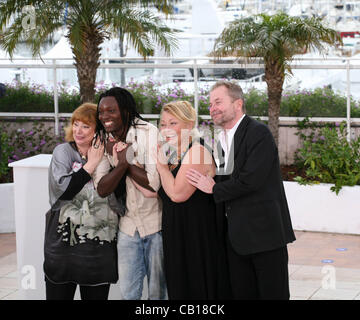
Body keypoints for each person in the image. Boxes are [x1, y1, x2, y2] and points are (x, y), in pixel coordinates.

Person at [186, 81, 296, 300]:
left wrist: (214, 188)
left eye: (218, 102)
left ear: (238, 104)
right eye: (210, 104)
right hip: (236, 240)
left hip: (264, 236)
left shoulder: (259, 133)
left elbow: (251, 180)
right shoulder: (221, 139)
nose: (212, 108)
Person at [154, 100, 231, 300]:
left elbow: (178, 195)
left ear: (189, 125)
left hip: (196, 237)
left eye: (173, 123)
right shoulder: (176, 153)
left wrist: (162, 168)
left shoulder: (196, 151)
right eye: (163, 124)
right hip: (179, 234)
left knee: (195, 289)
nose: (166, 129)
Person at [95, 87, 167, 300]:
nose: (105, 117)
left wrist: (122, 159)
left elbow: (154, 183)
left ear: (125, 110)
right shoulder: (102, 138)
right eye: (101, 112)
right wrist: (122, 165)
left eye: (111, 111)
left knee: (158, 295)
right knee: (129, 295)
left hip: (156, 226)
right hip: (127, 228)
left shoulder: (148, 132)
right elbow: (101, 188)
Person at [44, 103, 119, 300]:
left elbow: (119, 197)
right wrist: (91, 164)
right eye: (75, 124)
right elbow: (63, 191)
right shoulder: (63, 152)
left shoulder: (111, 154)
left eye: (85, 126)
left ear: (98, 129)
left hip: (98, 248)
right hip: (62, 247)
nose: (78, 130)